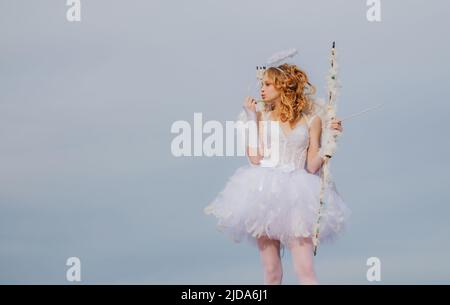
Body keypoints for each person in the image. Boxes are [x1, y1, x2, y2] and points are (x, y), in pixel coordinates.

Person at [204, 63, 351, 285]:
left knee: (305, 270)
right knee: (272, 271)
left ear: (282, 86)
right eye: (262, 84)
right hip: (265, 194)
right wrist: (251, 118)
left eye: (267, 84)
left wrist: (331, 142)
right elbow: (255, 159)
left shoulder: (312, 120)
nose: (261, 89)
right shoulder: (262, 117)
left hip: (299, 196)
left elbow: (312, 166)